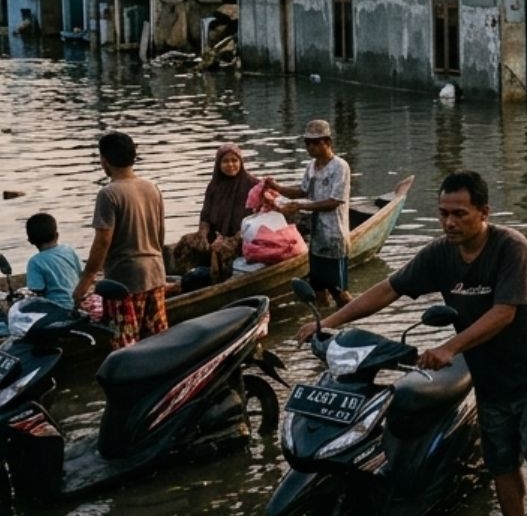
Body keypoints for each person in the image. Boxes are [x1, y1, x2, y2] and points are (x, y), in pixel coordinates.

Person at [311, 170, 527, 516]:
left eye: (459, 214)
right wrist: (329, 322)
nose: (449, 222)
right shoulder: (440, 253)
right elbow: (389, 288)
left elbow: (504, 313)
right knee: (499, 458)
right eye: (443, 214)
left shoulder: (511, 246)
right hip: (489, 372)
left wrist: (449, 347)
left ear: (484, 212)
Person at [74, 132, 169, 350]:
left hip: (124, 281)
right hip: (155, 273)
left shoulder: (108, 194)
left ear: (104, 161)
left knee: (126, 347)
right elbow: (160, 233)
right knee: (158, 341)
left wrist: (87, 279)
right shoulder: (151, 187)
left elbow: (103, 240)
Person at [267, 120, 354, 307]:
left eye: (315, 143)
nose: (310, 147)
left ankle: (350, 318)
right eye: (307, 143)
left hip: (334, 237)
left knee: (339, 292)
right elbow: (303, 191)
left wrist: (300, 206)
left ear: (327, 142)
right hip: (317, 239)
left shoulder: (340, 167)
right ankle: (324, 325)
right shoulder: (311, 167)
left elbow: (334, 202)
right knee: (319, 290)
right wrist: (278, 188)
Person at [175, 143, 254, 279]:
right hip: (216, 234)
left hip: (242, 236)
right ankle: (187, 280)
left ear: (241, 162)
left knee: (220, 249)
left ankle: (217, 281)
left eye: (234, 160)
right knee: (186, 243)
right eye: (225, 161)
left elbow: (255, 218)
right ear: (219, 164)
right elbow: (205, 216)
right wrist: (202, 234)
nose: (230, 165)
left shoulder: (252, 184)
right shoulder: (214, 186)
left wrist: (233, 239)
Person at [24, 212, 83, 310]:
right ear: (57, 235)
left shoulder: (35, 262)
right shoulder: (68, 250)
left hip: (57, 310)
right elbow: (80, 273)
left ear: (30, 240)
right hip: (78, 304)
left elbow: (36, 292)